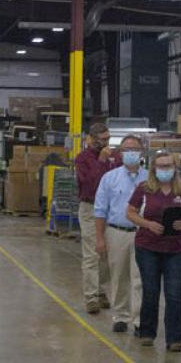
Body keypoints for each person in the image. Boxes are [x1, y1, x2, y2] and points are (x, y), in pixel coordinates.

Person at [126, 151, 181, 352]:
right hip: (148, 247)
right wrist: (147, 224)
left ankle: (174, 339)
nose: (165, 170)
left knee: (174, 294)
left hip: (176, 249)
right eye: (161, 166)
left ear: (175, 168)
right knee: (151, 290)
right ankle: (147, 332)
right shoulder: (144, 189)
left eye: (168, 166)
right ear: (154, 169)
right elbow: (130, 212)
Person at [94, 135, 147, 334]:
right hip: (117, 232)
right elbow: (100, 210)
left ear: (141, 152)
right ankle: (121, 316)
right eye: (126, 149)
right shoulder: (110, 178)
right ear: (120, 153)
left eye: (134, 149)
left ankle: (139, 319)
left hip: (143, 233)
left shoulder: (150, 178)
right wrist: (100, 238)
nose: (131, 153)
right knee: (119, 276)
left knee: (140, 277)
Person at [75, 122, 118, 314]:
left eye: (108, 139)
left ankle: (101, 291)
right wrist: (101, 162)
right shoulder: (82, 159)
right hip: (90, 208)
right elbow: (89, 184)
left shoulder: (114, 158)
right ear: (92, 140)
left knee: (107, 254)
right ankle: (91, 297)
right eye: (102, 140)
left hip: (111, 210)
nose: (106, 143)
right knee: (92, 253)